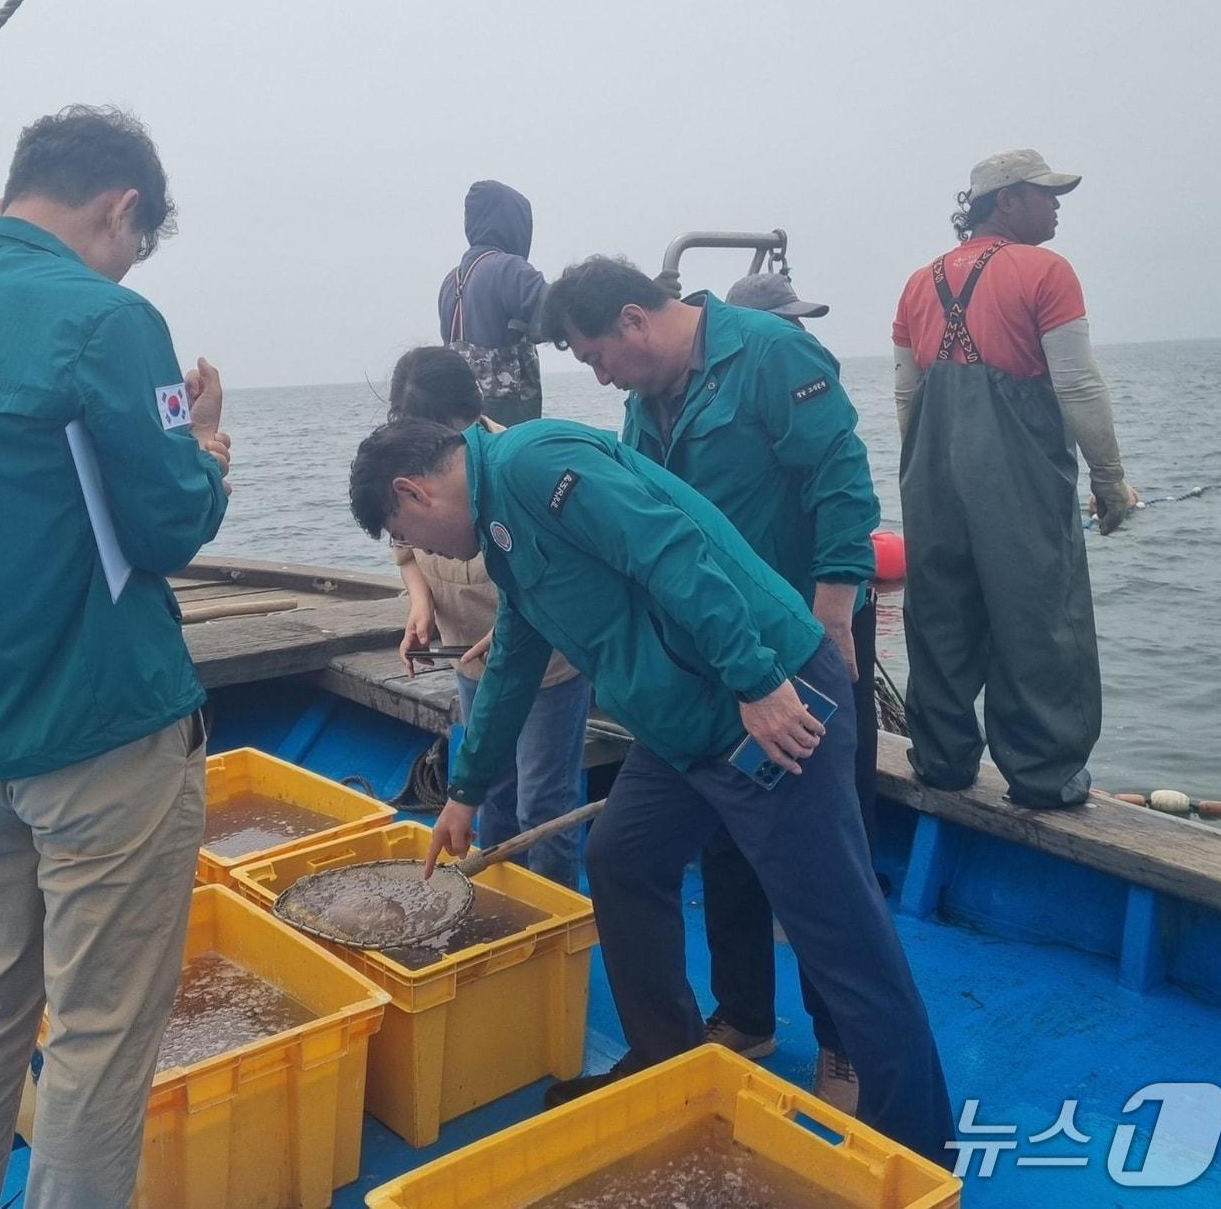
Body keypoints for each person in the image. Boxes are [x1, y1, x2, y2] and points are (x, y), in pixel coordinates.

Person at [348, 418, 954, 1166]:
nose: (429, 555)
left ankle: (919, 1146)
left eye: (410, 535)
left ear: (414, 491)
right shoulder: (501, 530)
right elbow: (514, 656)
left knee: (837, 928)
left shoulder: (534, 465)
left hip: (762, 698)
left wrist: (756, 680)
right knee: (622, 859)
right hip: (683, 729)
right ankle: (667, 1060)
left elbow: (672, 550)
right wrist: (465, 790)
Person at [0, 106, 231, 1209]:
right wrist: (205, 447)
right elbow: (167, 525)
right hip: (105, 729)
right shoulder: (109, 319)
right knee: (99, 1037)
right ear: (121, 208)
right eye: (134, 243)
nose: (126, 266)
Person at [541, 257, 880, 1113]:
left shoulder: (770, 353)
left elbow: (841, 478)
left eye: (597, 357)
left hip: (806, 636)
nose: (601, 377)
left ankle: (844, 1045)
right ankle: (746, 1014)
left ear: (633, 319)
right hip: (721, 655)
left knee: (822, 855)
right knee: (729, 836)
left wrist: (835, 611)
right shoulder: (640, 405)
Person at [893, 148, 1135, 810]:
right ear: (1006, 201)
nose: (1056, 206)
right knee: (1039, 614)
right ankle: (1043, 775)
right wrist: (1110, 479)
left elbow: (907, 394)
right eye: (1045, 193)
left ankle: (941, 762)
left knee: (939, 616)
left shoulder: (917, 283)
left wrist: (925, 472)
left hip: (929, 475)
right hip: (1016, 476)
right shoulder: (1047, 270)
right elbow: (1078, 383)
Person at [387, 346, 590, 886]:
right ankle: (504, 906)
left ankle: (556, 913)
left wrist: (510, 632)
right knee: (490, 791)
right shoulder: (401, 468)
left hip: (545, 664)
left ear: (472, 411)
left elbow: (557, 578)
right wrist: (421, 605)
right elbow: (404, 551)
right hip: (469, 658)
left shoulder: (513, 468)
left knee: (542, 801)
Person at [438, 180, 547, 426]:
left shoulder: (450, 282)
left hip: (461, 426)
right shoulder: (509, 269)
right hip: (508, 427)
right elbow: (558, 315)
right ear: (514, 224)